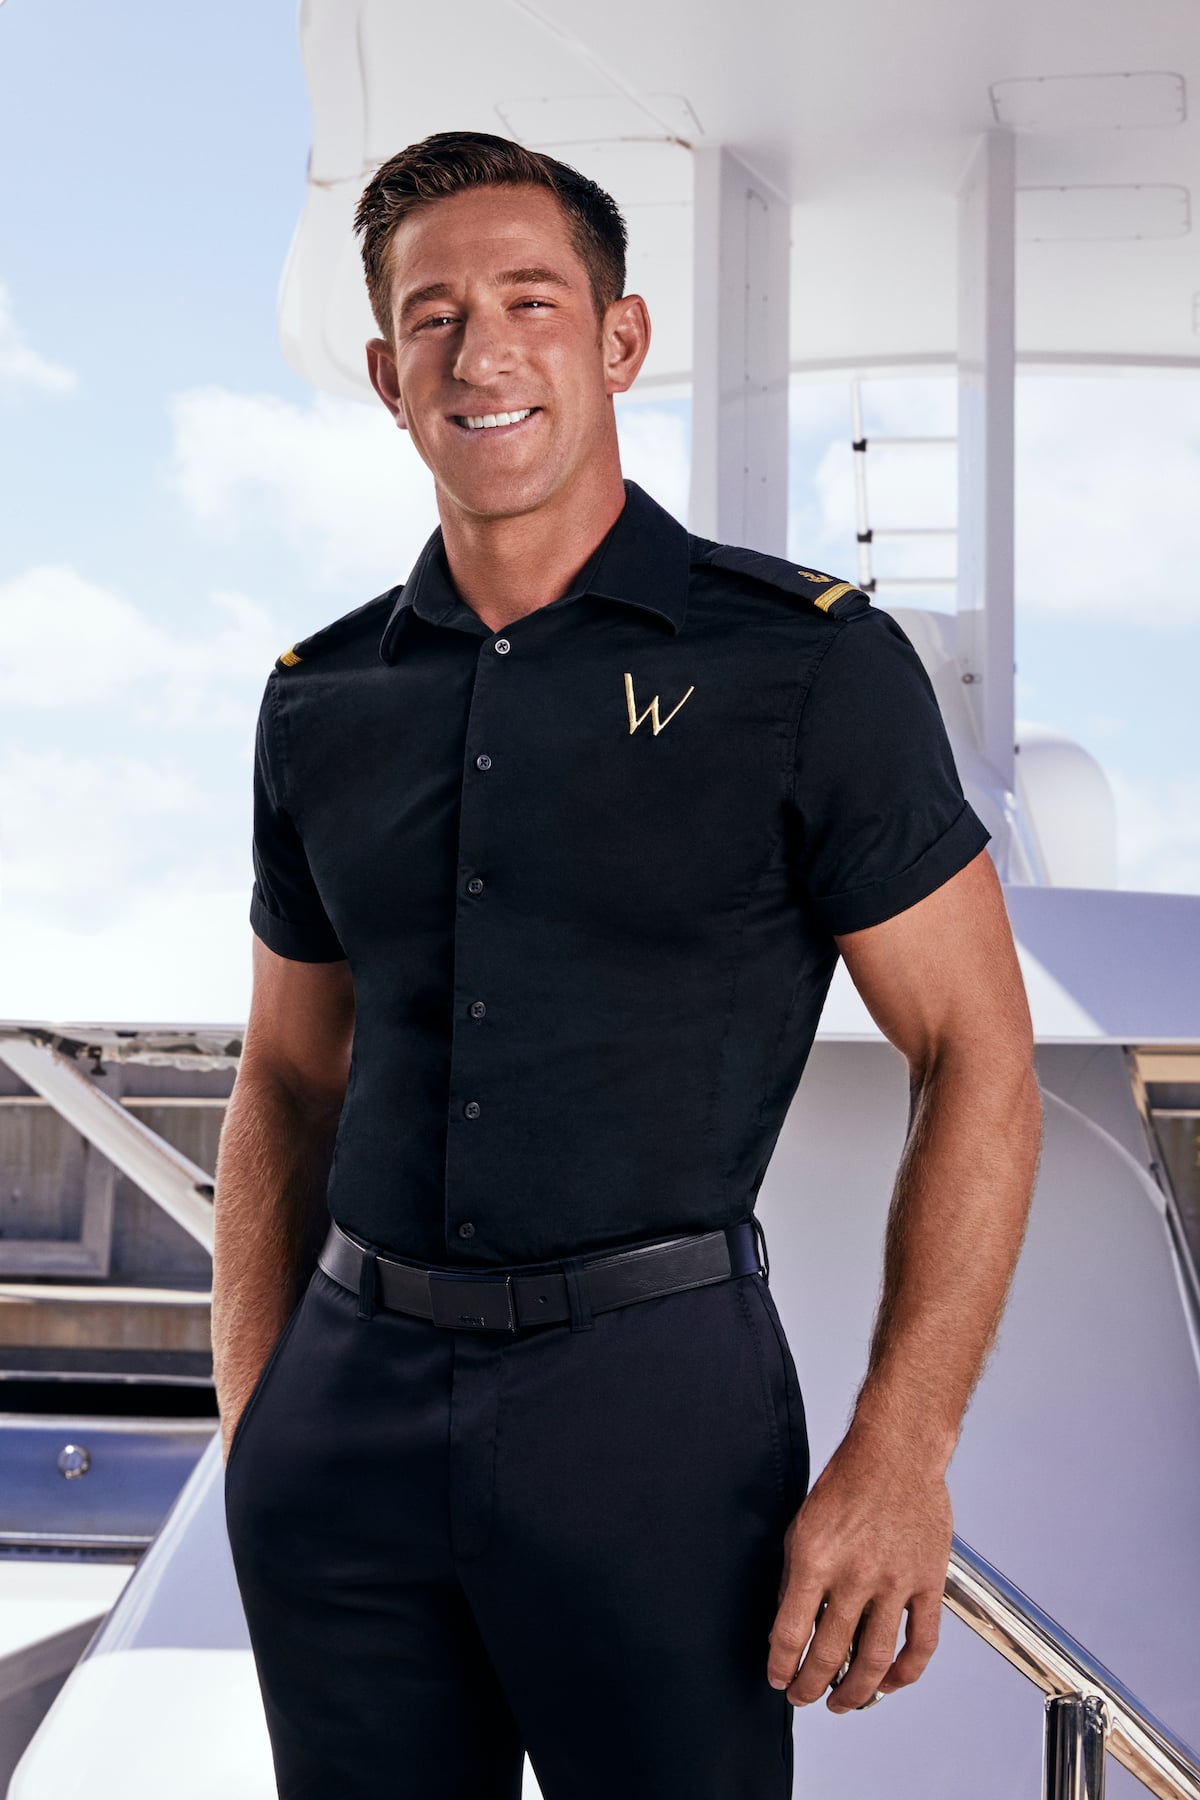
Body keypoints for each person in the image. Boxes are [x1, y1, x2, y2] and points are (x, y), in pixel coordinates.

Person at [212, 130, 1041, 1800]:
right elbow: (289, 1081)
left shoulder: (808, 668)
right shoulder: (319, 700)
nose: (482, 352)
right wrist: (260, 1426)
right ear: (386, 375)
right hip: (347, 1413)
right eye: (434, 317)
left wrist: (903, 1448)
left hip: (654, 1414)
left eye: (531, 299)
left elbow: (979, 1054)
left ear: (620, 340)